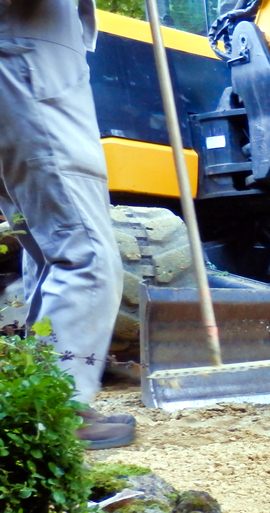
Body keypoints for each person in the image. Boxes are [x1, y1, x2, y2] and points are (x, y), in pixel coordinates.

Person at [0, 0, 136, 449]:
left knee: (48, 252)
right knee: (85, 254)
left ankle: (39, 402)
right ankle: (60, 408)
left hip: (28, 66)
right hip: (30, 67)